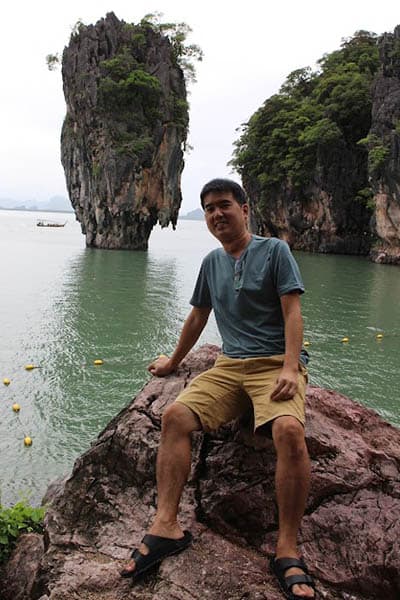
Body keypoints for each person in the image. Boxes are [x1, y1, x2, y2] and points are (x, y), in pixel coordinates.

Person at [121, 178, 316, 599]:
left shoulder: (275, 251)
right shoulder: (212, 261)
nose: (216, 214)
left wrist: (289, 366)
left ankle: (286, 548)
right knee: (174, 417)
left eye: (224, 205)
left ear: (245, 209)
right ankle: (166, 526)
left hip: (272, 365)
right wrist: (173, 362)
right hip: (229, 366)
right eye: (209, 208)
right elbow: (197, 317)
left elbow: (293, 312)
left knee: (288, 432)